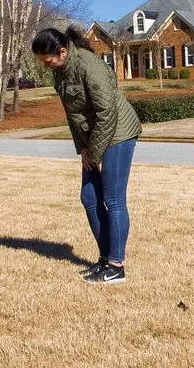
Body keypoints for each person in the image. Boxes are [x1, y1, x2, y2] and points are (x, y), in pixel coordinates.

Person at [32, 26, 142, 284]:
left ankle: (117, 265)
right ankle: (105, 259)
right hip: (94, 139)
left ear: (63, 51)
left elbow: (107, 112)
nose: (47, 66)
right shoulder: (60, 72)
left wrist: (97, 152)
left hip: (118, 133)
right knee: (89, 197)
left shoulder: (89, 66)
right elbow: (73, 115)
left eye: (48, 61)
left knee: (113, 199)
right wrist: (83, 149)